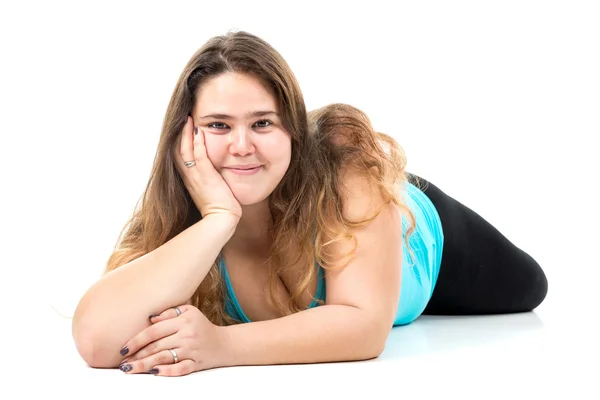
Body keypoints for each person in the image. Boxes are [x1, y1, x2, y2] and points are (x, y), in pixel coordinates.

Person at [71, 30, 548, 376]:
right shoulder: (182, 225)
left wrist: (221, 344)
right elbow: (96, 340)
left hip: (419, 238)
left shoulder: (343, 161)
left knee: (530, 287)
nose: (241, 146)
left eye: (263, 124)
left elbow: (363, 329)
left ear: (293, 132)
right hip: (253, 222)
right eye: (218, 125)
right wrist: (219, 218)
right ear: (184, 138)